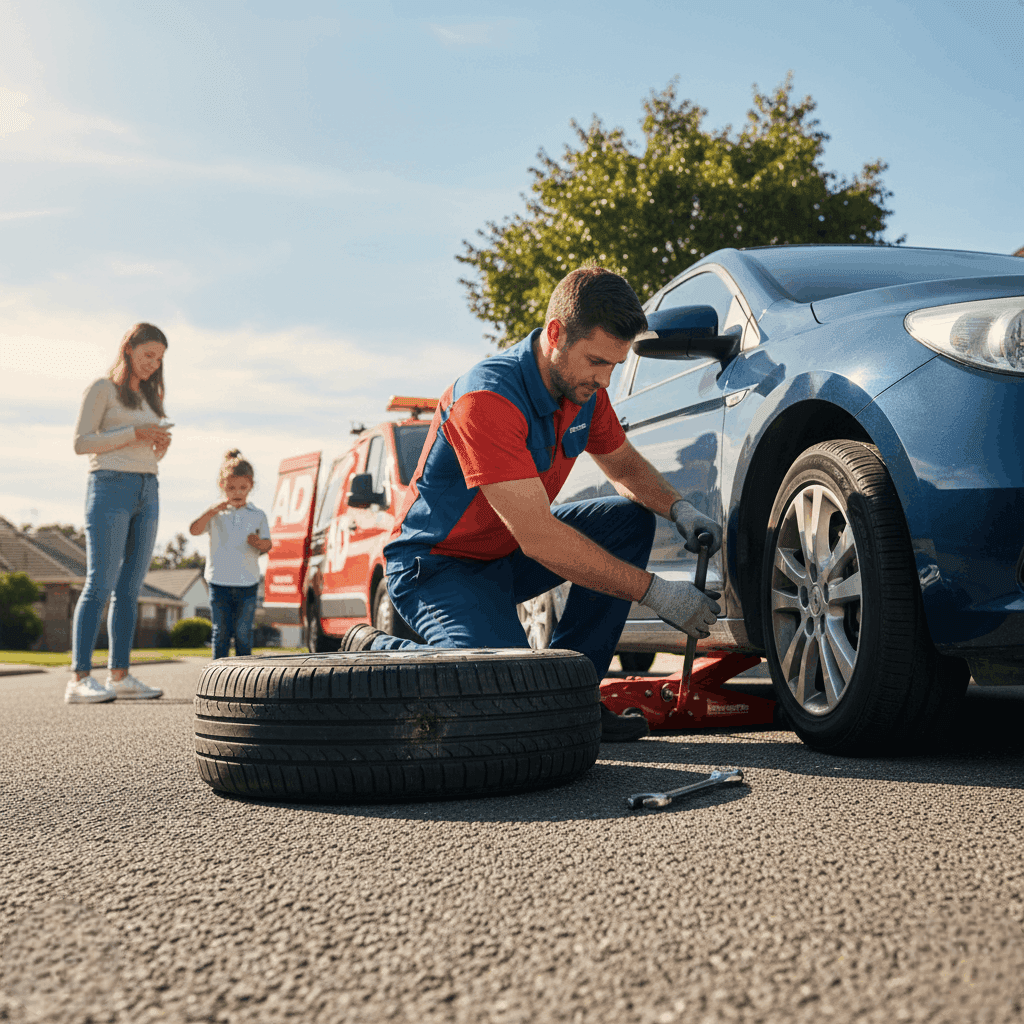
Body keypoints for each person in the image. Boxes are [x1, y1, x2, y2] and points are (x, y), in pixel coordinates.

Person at [341, 266, 723, 741]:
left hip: (507, 553)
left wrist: (680, 509)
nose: (604, 379)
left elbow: (623, 465)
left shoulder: (584, 391)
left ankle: (578, 695)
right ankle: (377, 647)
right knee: (505, 695)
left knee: (626, 523)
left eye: (614, 366)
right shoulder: (486, 398)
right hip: (438, 567)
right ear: (556, 334)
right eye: (596, 362)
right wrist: (657, 593)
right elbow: (540, 537)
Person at [67, 323, 172, 704]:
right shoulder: (102, 389)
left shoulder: (151, 396)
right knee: (100, 583)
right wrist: (135, 433)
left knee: (131, 589)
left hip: (148, 488)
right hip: (109, 485)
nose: (153, 364)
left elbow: (147, 448)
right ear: (129, 348)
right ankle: (79, 678)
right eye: (148, 355)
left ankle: (120, 675)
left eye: (159, 358)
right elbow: (81, 442)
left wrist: (159, 442)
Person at [189, 450, 272, 659]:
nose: (237, 493)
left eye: (243, 488)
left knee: (243, 633)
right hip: (219, 582)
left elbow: (267, 545)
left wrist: (258, 543)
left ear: (251, 486)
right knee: (221, 633)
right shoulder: (216, 513)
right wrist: (211, 511)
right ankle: (218, 678)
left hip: (248, 582)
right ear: (222, 486)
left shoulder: (257, 515)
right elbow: (194, 530)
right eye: (231, 488)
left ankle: (245, 679)